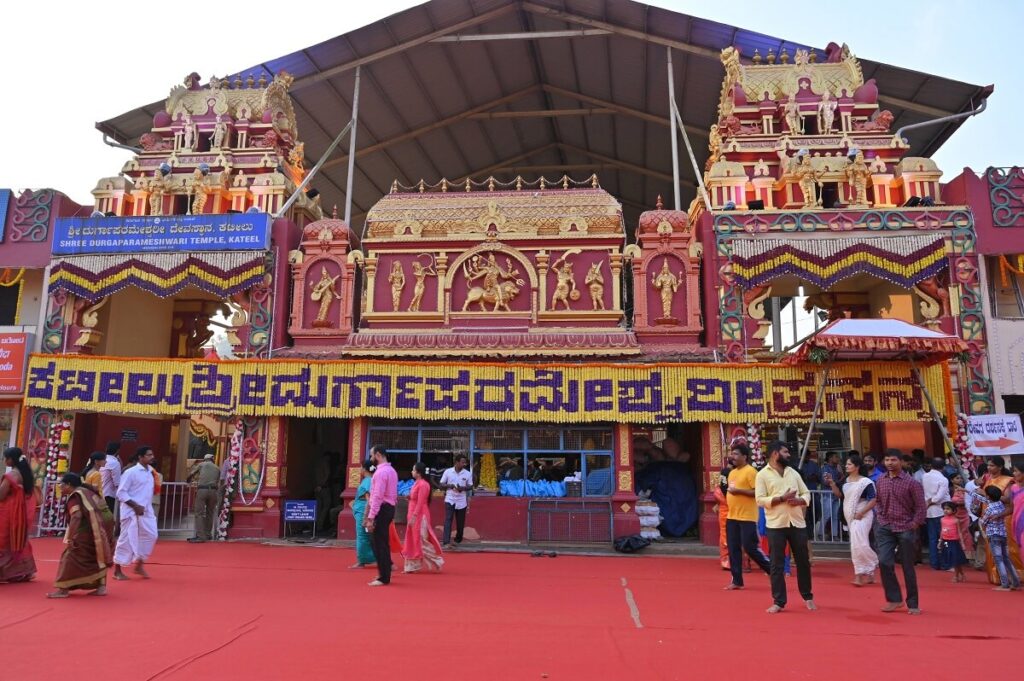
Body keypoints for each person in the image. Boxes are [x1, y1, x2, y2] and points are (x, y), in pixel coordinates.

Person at [755, 441, 815, 614]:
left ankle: (808, 596)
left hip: (796, 522)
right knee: (776, 564)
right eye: (785, 452)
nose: (789, 455)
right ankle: (779, 601)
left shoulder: (793, 472)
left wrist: (799, 501)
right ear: (775, 454)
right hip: (776, 524)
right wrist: (781, 498)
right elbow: (760, 499)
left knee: (803, 561)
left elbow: (806, 493)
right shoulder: (762, 475)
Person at [875, 450, 926, 615]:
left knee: (907, 567)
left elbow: (920, 508)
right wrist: (881, 517)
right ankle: (894, 599)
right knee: (884, 561)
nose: (890, 463)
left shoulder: (912, 483)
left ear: (901, 462)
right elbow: (879, 502)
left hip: (905, 527)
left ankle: (912, 603)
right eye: (887, 459)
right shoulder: (880, 480)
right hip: (885, 526)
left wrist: (913, 524)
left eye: (893, 460)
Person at [48, 473, 114, 598]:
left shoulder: (76, 496)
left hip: (91, 529)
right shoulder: (88, 491)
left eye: (61, 485)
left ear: (68, 485)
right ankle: (101, 587)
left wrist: (70, 537)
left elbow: (76, 516)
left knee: (70, 556)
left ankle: (63, 589)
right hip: (104, 527)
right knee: (97, 556)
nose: (60, 487)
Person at [724, 444, 770, 590]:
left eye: (736, 454)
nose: (733, 457)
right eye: (732, 454)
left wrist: (738, 491)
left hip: (747, 517)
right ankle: (737, 580)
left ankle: (772, 570)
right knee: (733, 548)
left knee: (750, 547)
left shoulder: (751, 472)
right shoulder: (732, 473)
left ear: (745, 456)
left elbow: (757, 492)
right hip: (732, 516)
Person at [826, 454, 877, 585]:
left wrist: (861, 512)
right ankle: (870, 570)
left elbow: (873, 499)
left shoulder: (865, 482)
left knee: (858, 544)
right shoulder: (845, 480)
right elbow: (839, 495)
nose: (846, 466)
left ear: (857, 467)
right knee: (858, 543)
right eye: (846, 464)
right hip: (849, 515)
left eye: (849, 464)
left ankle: (860, 575)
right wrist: (832, 483)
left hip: (863, 515)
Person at [113, 446, 158, 581]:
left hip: (146, 510)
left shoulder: (151, 472)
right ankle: (117, 570)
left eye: (152, 454)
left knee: (151, 534)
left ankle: (139, 563)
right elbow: (121, 492)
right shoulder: (131, 472)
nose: (152, 457)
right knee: (125, 539)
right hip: (130, 510)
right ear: (140, 457)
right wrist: (135, 505)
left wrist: (142, 507)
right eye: (148, 455)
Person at [977, 456, 1021, 585]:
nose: (989, 468)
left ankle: (1012, 577)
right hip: (989, 517)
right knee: (992, 550)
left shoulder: (1008, 481)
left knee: (1007, 550)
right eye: (988, 465)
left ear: (1000, 467)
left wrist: (986, 494)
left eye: (992, 465)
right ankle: (998, 577)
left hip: (1003, 517)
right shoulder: (987, 478)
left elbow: (1008, 499)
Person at [0, 447, 36, 583]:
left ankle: (5, 573)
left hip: (8, 513)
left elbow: (1, 495)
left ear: (11, 459)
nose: (4, 461)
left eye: (5, 458)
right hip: (20, 512)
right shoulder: (25, 473)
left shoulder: (11, 476)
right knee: (19, 539)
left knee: (4, 540)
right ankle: (25, 571)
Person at [364, 445, 398, 587]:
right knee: (382, 542)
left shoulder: (380, 473)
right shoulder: (391, 471)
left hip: (381, 509)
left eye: (372, 455)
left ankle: (384, 577)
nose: (371, 458)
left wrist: (371, 517)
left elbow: (377, 496)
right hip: (388, 508)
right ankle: (384, 572)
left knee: (379, 543)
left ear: (378, 455)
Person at [402, 462, 444, 573]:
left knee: (420, 540)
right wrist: (409, 497)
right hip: (413, 513)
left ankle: (436, 560)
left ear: (419, 473)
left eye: (413, 470)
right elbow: (415, 498)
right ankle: (412, 566)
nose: (412, 471)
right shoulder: (416, 483)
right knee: (412, 539)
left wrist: (414, 516)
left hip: (420, 515)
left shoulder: (424, 485)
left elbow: (420, 502)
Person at [981, 485, 1020, 591]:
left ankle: (1005, 583)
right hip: (1003, 534)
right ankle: (1016, 581)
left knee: (998, 559)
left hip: (993, 535)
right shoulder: (1001, 505)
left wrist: (984, 528)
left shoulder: (989, 509)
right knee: (1006, 558)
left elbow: (983, 522)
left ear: (988, 496)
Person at [921, 457, 951, 570]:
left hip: (929, 511)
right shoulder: (943, 479)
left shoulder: (925, 476)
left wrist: (927, 502)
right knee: (944, 538)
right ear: (943, 467)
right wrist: (931, 501)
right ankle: (945, 563)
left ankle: (934, 563)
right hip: (940, 510)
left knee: (932, 538)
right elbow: (940, 496)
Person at [440, 454, 473, 548]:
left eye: (465, 462)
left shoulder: (467, 473)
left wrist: (462, 488)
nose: (464, 464)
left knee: (460, 522)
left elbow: (470, 486)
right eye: (462, 462)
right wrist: (449, 486)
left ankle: (458, 539)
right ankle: (446, 542)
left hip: (461, 501)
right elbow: (441, 484)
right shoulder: (448, 472)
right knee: (448, 520)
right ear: (457, 462)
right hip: (450, 499)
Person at [349, 460, 376, 569]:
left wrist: (366, 516)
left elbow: (369, 500)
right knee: (367, 536)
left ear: (364, 469)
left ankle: (362, 560)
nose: (360, 469)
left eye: (361, 467)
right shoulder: (369, 480)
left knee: (362, 536)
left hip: (363, 511)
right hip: (361, 510)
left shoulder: (368, 481)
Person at [187, 453, 220, 542]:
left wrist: (188, 480)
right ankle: (208, 534)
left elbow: (191, 473)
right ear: (212, 459)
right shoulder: (217, 468)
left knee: (199, 513)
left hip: (202, 490)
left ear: (205, 459)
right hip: (213, 491)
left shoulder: (201, 464)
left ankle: (201, 536)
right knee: (210, 513)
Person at [947, 472, 975, 563]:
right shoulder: (950, 490)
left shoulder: (964, 489)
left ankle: (968, 556)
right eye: (957, 478)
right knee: (955, 535)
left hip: (965, 514)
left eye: (960, 478)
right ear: (952, 480)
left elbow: (970, 500)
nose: (960, 480)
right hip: (954, 515)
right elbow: (948, 502)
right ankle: (957, 556)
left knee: (967, 535)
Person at [939, 502, 968, 584]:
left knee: (955, 559)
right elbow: (942, 530)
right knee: (951, 559)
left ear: (954, 510)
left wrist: (962, 543)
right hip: (946, 541)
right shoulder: (942, 519)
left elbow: (959, 532)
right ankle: (961, 574)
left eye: (948, 509)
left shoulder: (956, 520)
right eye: (944, 509)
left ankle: (956, 575)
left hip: (954, 542)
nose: (945, 510)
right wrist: (940, 541)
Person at [820, 451, 843, 540]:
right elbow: (826, 482)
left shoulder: (837, 469)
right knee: (827, 515)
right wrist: (838, 480)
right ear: (830, 458)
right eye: (836, 457)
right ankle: (821, 533)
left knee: (835, 516)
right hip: (827, 495)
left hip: (835, 495)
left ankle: (835, 535)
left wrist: (840, 475)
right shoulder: (825, 468)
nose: (838, 459)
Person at [714, 466, 731, 570]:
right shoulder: (733, 489)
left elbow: (717, 501)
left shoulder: (718, 490)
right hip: (734, 513)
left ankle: (725, 561)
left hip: (723, 514)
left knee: (724, 537)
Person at [102, 441, 122, 513]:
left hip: (97, 494)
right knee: (107, 518)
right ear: (117, 451)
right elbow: (117, 482)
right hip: (108, 495)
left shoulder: (102, 459)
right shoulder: (115, 463)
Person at [1009, 457, 1024, 552]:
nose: (1013, 474)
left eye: (1015, 471)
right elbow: (1012, 507)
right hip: (1017, 522)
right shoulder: (1014, 487)